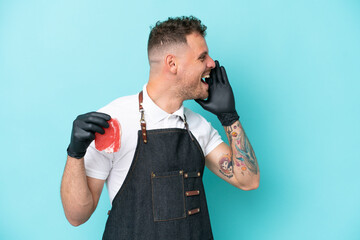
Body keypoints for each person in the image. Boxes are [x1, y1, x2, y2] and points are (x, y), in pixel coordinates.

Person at [60, 16, 260, 239]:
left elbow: (248, 181)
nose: (212, 63)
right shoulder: (115, 122)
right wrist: (75, 154)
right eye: (202, 57)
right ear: (172, 63)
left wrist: (229, 117)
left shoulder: (197, 126)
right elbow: (76, 216)